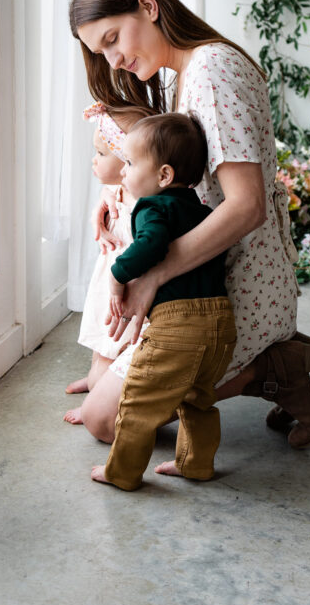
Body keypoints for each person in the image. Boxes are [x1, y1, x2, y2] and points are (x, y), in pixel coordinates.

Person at [69, 0, 310, 451]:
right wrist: (116, 193)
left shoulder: (212, 73)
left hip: (234, 288)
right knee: (103, 398)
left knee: (105, 423)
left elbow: (246, 207)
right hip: (204, 273)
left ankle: (274, 369)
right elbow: (177, 178)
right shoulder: (188, 73)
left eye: (112, 39)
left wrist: (153, 276)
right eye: (100, 52)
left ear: (148, 7)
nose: (113, 61)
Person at [91, 112, 236, 490]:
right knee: (198, 399)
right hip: (220, 323)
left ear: (164, 176)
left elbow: (151, 244)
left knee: (138, 400)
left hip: (179, 325)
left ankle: (120, 473)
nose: (123, 171)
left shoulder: (152, 207)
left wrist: (118, 273)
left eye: (130, 163)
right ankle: (196, 464)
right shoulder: (201, 210)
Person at [64, 102, 150, 427]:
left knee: (113, 346)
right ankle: (95, 375)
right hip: (108, 285)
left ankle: (99, 388)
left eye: (102, 153)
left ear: (129, 160)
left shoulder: (143, 202)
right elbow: (112, 188)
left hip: (126, 291)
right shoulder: (115, 191)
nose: (94, 160)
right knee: (101, 338)